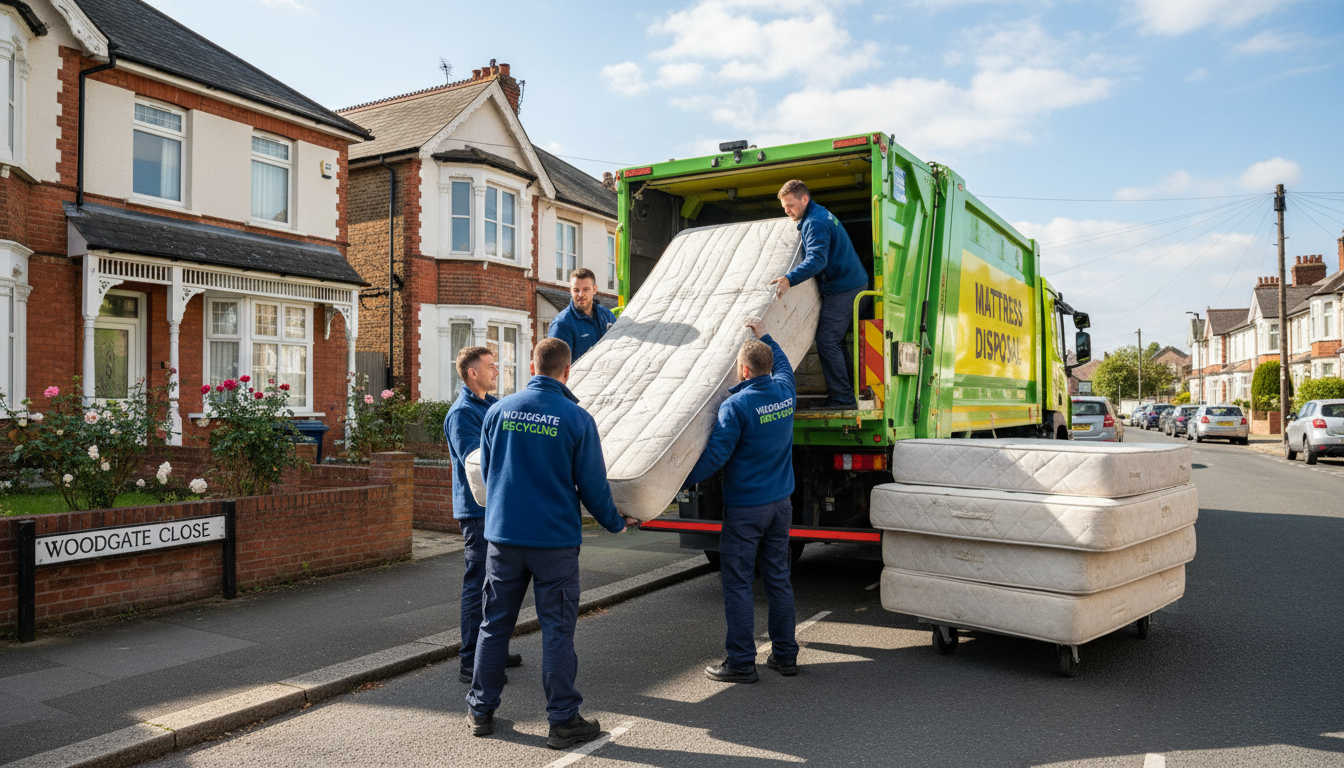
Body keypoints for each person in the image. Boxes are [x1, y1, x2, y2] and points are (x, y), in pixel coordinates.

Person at [466, 337, 639, 748]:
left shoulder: (499, 411)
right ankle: (562, 720)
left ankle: (480, 710)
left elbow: (488, 474)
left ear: (531, 365)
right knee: (557, 631)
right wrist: (616, 523)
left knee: (494, 626)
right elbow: (594, 487)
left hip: (504, 538)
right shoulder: (576, 418)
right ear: (567, 371)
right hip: (554, 542)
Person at [682, 318, 799, 684]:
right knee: (778, 578)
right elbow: (780, 361)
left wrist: (679, 480)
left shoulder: (737, 407)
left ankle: (742, 662)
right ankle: (785, 656)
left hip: (747, 508)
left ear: (744, 370)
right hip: (781, 505)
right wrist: (765, 333)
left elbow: (716, 456)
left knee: (738, 583)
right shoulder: (785, 389)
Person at [443, 346, 522, 686]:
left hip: (496, 509)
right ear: (472, 373)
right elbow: (475, 462)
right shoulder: (462, 413)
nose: (497, 370)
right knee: (477, 586)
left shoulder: (491, 406)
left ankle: (493, 651)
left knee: (497, 585)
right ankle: (469, 661)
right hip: (477, 511)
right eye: (491, 366)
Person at [769, 179, 868, 409]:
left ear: (804, 199)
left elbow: (817, 260)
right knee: (836, 341)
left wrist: (789, 279)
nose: (787, 211)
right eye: (784, 207)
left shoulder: (815, 222)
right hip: (848, 284)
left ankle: (843, 399)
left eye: (790, 205)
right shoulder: (817, 216)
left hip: (845, 288)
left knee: (827, 341)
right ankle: (846, 395)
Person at [548, 267, 617, 362]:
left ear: (594, 289)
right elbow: (555, 367)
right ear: (571, 291)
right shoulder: (561, 324)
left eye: (586, 289)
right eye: (576, 290)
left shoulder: (608, 316)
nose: (580, 294)